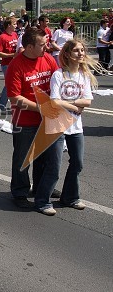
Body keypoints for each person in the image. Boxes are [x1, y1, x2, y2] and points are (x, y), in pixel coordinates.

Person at [5, 27, 61, 211]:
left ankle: (41, 188)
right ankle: (20, 192)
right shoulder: (16, 65)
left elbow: (57, 82)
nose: (46, 47)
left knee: (44, 158)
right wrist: (41, 108)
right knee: (23, 158)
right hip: (25, 121)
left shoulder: (48, 59)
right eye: (42, 45)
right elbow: (15, 98)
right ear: (29, 47)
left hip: (46, 119)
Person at [48, 39, 100, 213]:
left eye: (82, 50)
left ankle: (69, 197)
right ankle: (42, 200)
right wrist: (75, 106)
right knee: (54, 166)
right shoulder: (59, 74)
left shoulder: (84, 76)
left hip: (76, 127)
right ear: (68, 54)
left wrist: (69, 102)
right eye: (76, 50)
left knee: (77, 163)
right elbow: (55, 101)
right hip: (58, 125)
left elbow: (88, 101)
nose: (81, 53)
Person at [0, 17, 18, 113]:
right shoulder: (2, 37)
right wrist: (12, 55)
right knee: (8, 85)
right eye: (14, 24)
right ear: (9, 25)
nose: (16, 26)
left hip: (15, 64)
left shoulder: (15, 34)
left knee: (15, 85)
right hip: (6, 64)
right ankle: (1, 106)